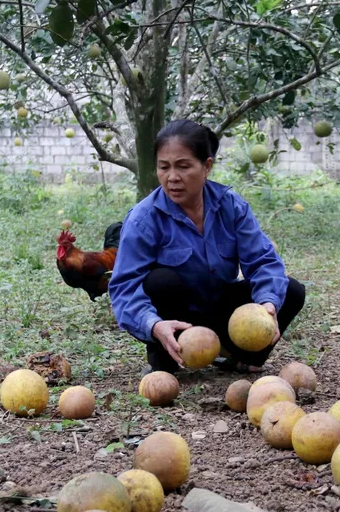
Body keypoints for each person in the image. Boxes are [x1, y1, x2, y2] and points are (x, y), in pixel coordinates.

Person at [108, 119, 306, 373]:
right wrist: (154, 325)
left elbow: (263, 262)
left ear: (207, 166)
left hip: (221, 309)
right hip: (176, 318)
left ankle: (241, 356)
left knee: (290, 290)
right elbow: (124, 288)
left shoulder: (231, 206)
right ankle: (166, 356)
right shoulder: (144, 218)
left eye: (183, 166)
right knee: (160, 281)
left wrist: (268, 304)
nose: (172, 178)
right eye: (164, 167)